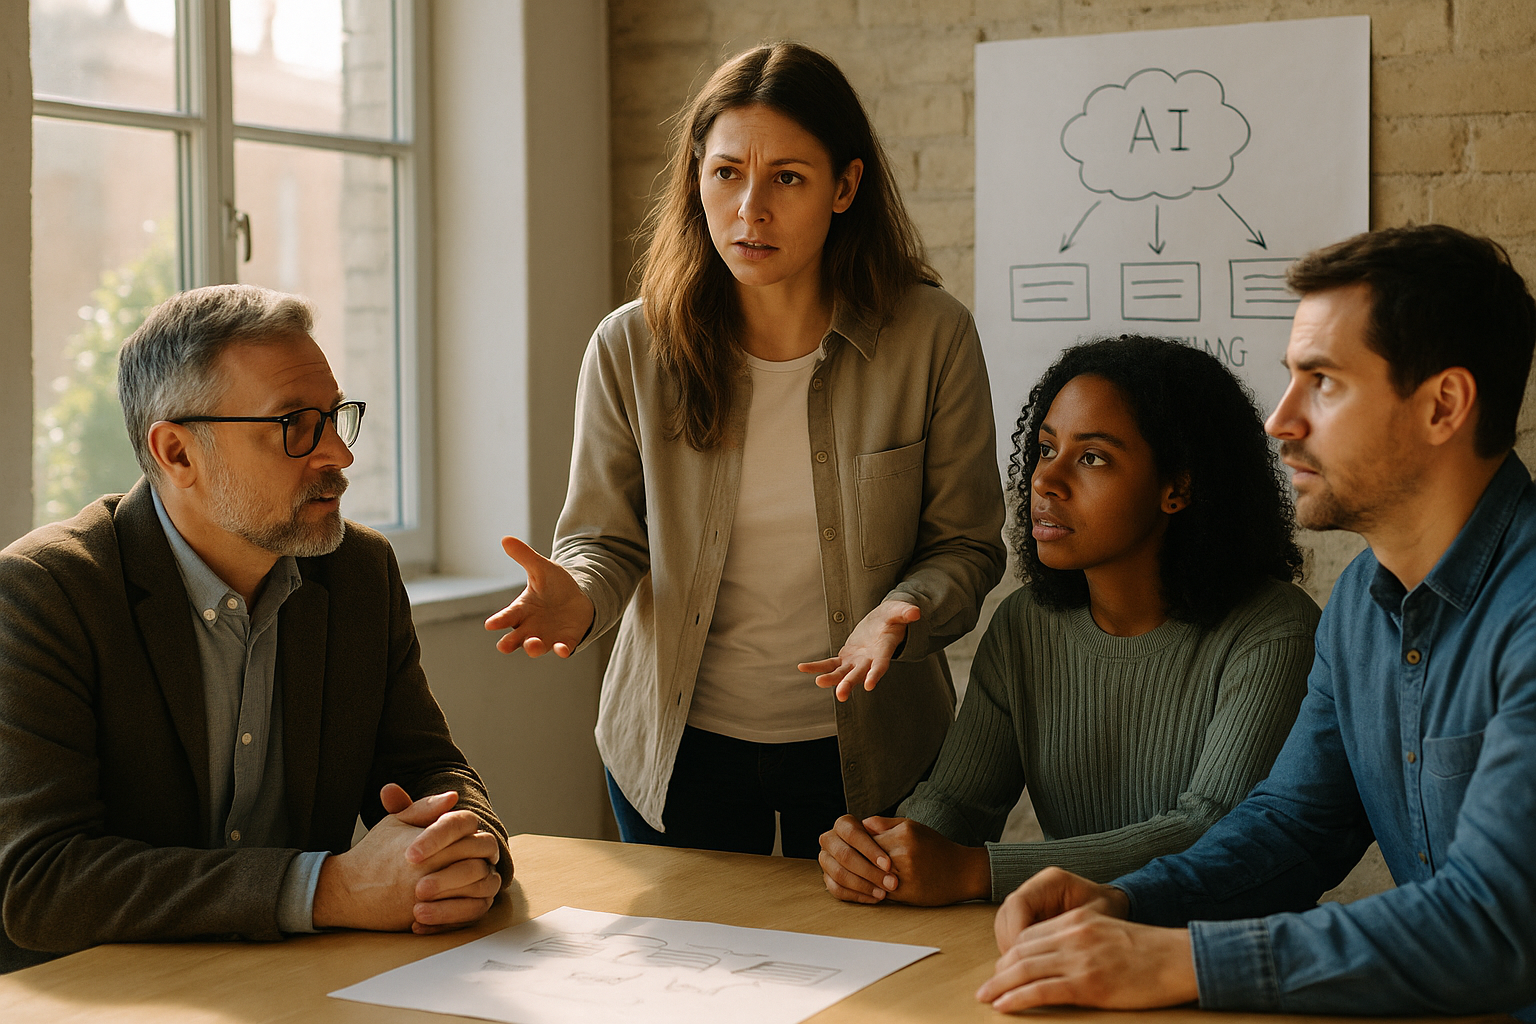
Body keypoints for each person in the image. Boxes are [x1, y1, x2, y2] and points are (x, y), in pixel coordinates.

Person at [977, 225, 1536, 1020]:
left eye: (1324, 383)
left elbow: (1497, 924)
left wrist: (1182, 959)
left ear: (1443, 405)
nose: (1280, 421)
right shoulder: (1359, 607)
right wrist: (1126, 903)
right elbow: (1294, 829)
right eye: (1289, 380)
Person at [484, 42, 1006, 858]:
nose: (750, 210)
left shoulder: (931, 337)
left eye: (788, 178)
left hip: (868, 749)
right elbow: (605, 541)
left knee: (859, 979)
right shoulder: (630, 346)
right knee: (685, 978)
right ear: (697, 175)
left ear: (845, 187)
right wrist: (579, 597)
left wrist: (903, 611)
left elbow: (967, 544)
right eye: (726, 172)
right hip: (673, 747)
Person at [0, 284, 509, 973]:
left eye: (335, 417)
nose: (338, 454)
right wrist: (331, 889)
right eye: (296, 424)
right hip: (109, 995)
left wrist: (462, 845)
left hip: (291, 981)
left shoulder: (357, 569)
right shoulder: (45, 593)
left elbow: (425, 766)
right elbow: (40, 881)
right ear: (177, 452)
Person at [819, 336, 1319, 907]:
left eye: (1092, 458)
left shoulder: (1274, 629)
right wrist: (881, 853)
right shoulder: (1025, 626)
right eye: (1046, 449)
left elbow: (1208, 831)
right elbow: (957, 801)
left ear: (1176, 488)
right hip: (1073, 947)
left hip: (1224, 963)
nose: (1045, 482)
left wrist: (976, 872)